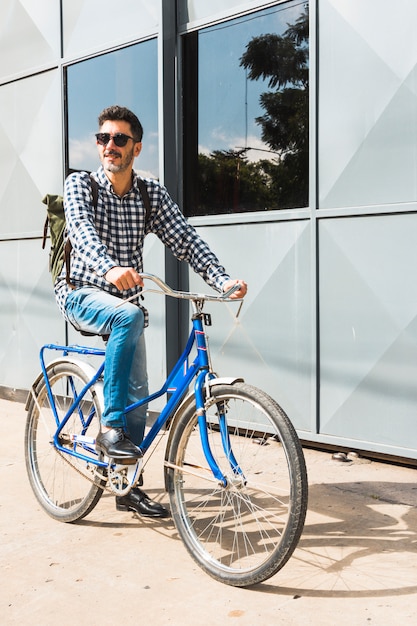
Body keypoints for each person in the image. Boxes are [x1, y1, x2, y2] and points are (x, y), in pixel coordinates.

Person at [54, 105, 247, 518]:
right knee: (129, 318)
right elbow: (82, 232)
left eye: (119, 139)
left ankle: (127, 487)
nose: (109, 146)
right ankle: (109, 429)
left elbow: (185, 239)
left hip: (127, 303)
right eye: (103, 138)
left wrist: (222, 279)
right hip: (82, 291)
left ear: (136, 148)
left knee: (139, 397)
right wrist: (109, 267)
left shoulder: (149, 194)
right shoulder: (80, 186)